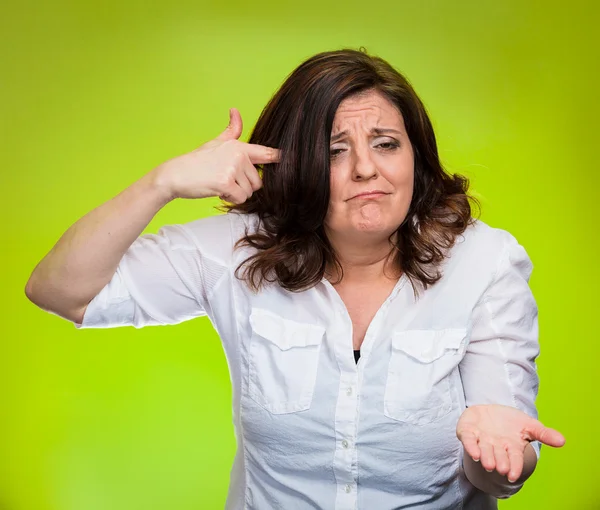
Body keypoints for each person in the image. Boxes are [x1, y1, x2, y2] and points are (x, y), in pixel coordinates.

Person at [25, 49, 565, 509]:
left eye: (385, 143)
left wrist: (497, 456)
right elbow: (58, 290)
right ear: (295, 165)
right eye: (334, 150)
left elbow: (501, 470)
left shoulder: (485, 261)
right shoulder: (237, 248)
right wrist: (161, 183)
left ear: (416, 156)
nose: (365, 169)